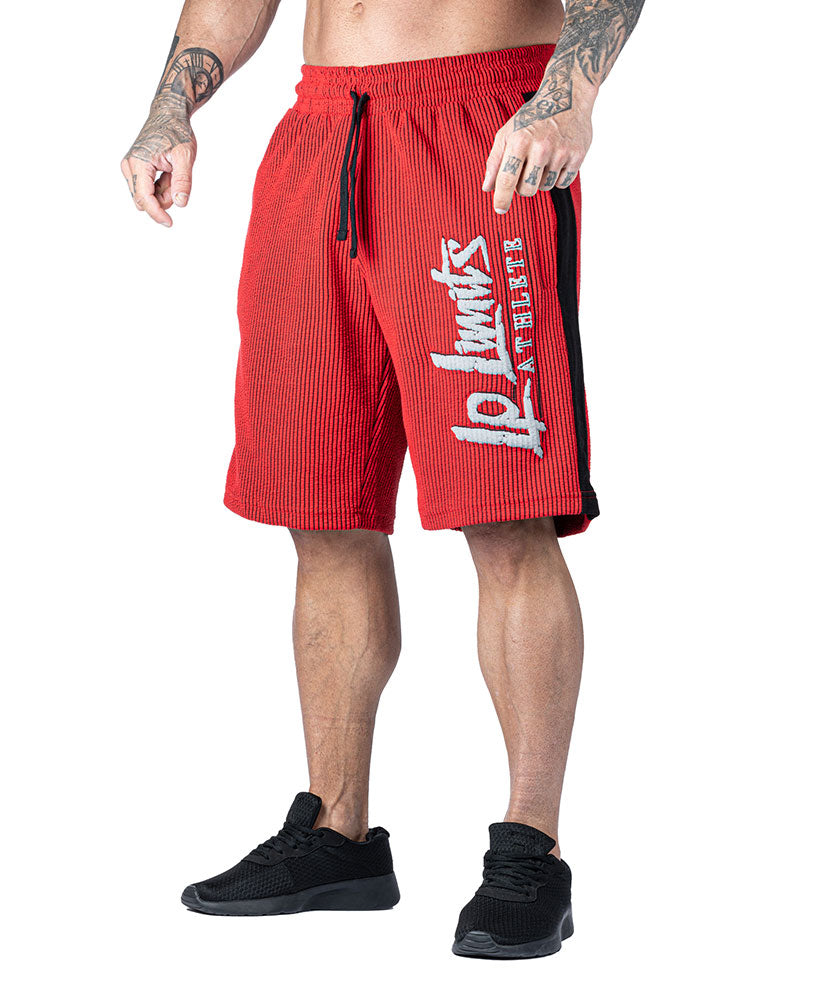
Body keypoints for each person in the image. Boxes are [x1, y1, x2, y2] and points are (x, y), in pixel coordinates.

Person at [122, 0, 644, 960]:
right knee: (321, 507)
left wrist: (570, 95)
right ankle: (338, 837)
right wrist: (170, 107)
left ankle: (531, 853)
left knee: (507, 512)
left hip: (479, 131)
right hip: (321, 132)